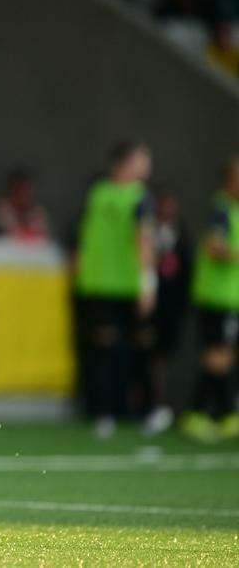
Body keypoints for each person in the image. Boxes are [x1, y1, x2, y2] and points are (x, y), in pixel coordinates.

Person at [74, 141, 156, 438]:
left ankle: (131, 412)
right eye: (142, 161)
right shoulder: (126, 196)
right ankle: (110, 413)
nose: (147, 168)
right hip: (114, 285)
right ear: (126, 163)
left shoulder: (104, 193)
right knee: (110, 351)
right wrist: (148, 282)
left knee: (126, 350)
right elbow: (143, 240)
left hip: (110, 285)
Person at [181, 157, 239, 442]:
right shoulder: (221, 210)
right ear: (229, 180)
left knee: (223, 357)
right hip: (218, 297)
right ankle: (204, 413)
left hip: (230, 297)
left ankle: (220, 414)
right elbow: (215, 247)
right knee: (218, 357)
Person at [140, 187, 192, 435]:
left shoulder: (181, 235)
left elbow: (187, 270)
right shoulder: (147, 234)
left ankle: (161, 405)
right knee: (147, 355)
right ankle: (147, 405)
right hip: (151, 307)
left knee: (165, 356)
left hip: (172, 307)